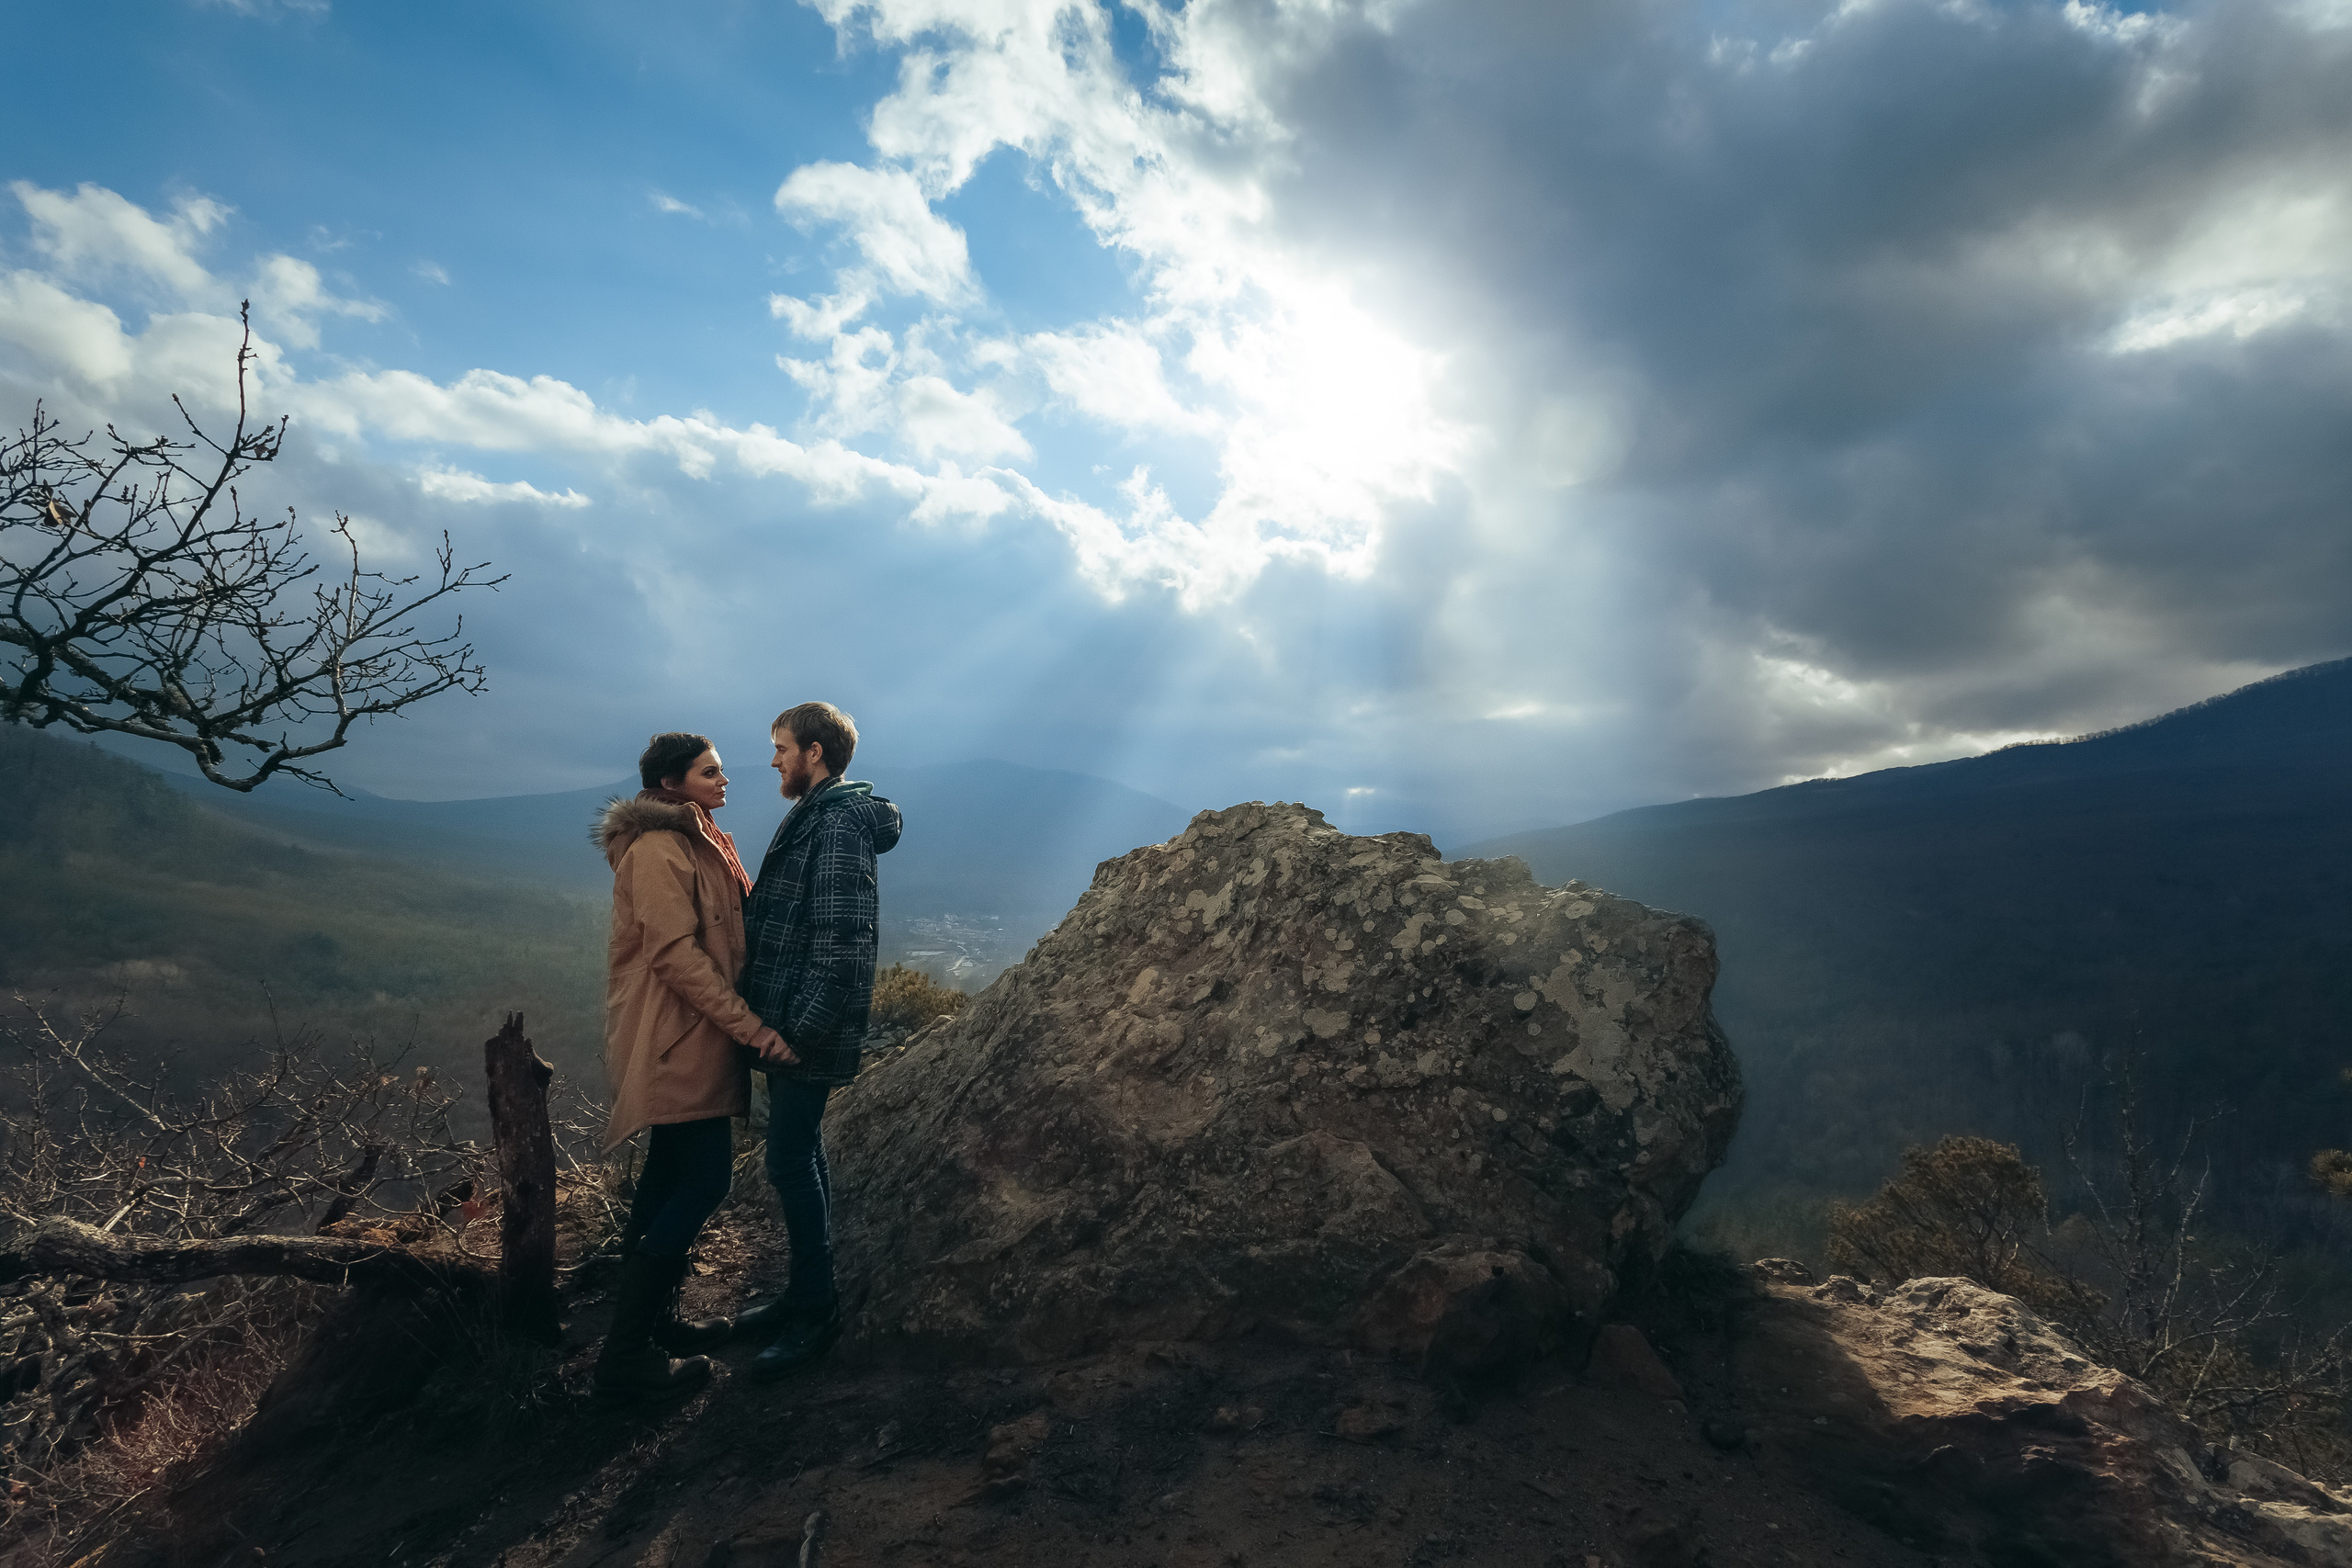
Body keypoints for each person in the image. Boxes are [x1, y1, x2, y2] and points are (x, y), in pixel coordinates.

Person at [589, 731, 791, 1400]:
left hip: (694, 1037)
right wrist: (752, 1026)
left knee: (665, 1180)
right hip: (678, 1041)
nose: (725, 780)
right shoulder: (657, 849)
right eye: (711, 771)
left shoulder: (699, 838)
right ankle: (625, 1356)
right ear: (672, 783)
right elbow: (676, 958)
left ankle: (657, 1329)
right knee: (705, 1179)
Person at [736, 701, 902, 1377]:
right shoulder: (819, 813)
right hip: (792, 1023)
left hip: (804, 1030)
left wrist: (794, 1032)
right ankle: (804, 1296)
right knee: (801, 1153)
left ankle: (816, 1313)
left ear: (815, 751)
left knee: (787, 1163)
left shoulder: (835, 824)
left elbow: (843, 942)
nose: (773, 758)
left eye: (781, 747)